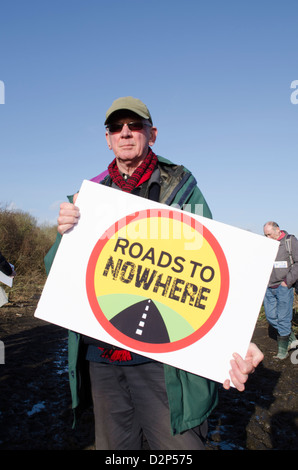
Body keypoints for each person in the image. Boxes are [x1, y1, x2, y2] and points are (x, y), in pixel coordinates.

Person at [46, 96, 264, 450]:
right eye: (116, 127)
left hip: (164, 361)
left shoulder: (184, 192)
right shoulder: (88, 199)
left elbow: (210, 269)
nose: (126, 133)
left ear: (153, 133)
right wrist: (62, 238)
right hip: (102, 358)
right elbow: (57, 274)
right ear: (107, 138)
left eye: (135, 125)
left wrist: (234, 337)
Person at [263, 221, 298, 359]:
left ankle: (282, 352)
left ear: (277, 230)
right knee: (271, 317)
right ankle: (291, 338)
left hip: (284, 287)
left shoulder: (290, 241)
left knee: (283, 318)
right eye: (265, 235)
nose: (267, 238)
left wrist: (287, 282)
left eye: (269, 234)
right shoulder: (266, 244)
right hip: (269, 287)